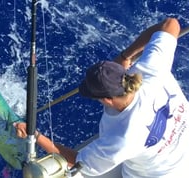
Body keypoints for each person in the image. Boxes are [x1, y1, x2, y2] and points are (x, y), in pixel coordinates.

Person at [14, 17, 189, 177]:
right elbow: (171, 24)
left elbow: (77, 161)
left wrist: (35, 135)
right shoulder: (151, 71)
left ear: (107, 100)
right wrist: (125, 56)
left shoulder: (122, 137)